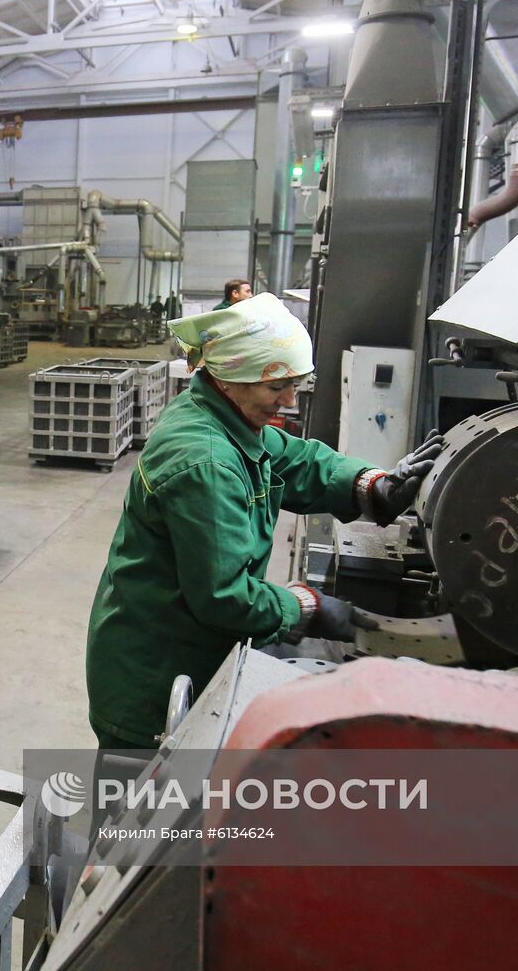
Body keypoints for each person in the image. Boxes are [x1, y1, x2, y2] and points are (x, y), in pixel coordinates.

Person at [86, 294, 442, 751]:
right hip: (154, 676)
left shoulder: (220, 416)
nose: (289, 400)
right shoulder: (205, 462)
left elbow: (296, 459)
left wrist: (373, 485)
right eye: (276, 387)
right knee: (139, 810)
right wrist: (305, 606)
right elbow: (226, 598)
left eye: (296, 384)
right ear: (232, 379)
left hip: (183, 648)